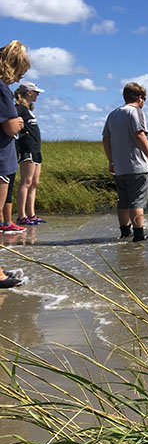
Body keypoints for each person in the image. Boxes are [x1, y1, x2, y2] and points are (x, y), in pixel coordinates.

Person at [102, 82, 148, 241]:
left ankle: (125, 232)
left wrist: (111, 160)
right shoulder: (136, 112)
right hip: (137, 167)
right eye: (144, 99)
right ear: (140, 98)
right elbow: (139, 135)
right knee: (137, 202)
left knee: (123, 201)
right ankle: (139, 235)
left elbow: (106, 139)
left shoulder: (113, 114)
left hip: (120, 167)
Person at [0, 41, 29, 287]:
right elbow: (10, 127)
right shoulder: (2, 89)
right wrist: (18, 123)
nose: (19, 78)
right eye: (20, 72)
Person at [14, 82, 46, 225]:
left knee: (34, 183)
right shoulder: (19, 108)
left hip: (35, 148)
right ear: (28, 92)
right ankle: (22, 215)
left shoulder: (29, 109)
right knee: (26, 182)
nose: (37, 95)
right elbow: (11, 119)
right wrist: (20, 131)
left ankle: (31, 213)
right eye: (35, 92)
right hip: (27, 148)